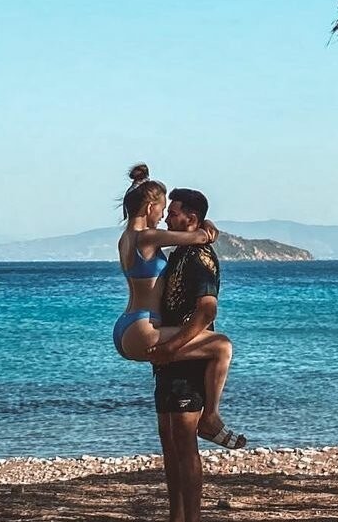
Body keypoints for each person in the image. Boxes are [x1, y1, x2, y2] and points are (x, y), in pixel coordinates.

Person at [114, 165, 245, 449]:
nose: (162, 217)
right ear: (150, 207)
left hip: (127, 325)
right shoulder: (147, 237)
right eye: (162, 210)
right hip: (143, 327)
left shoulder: (125, 239)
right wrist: (208, 227)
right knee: (222, 347)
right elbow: (198, 237)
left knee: (172, 437)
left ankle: (205, 416)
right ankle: (211, 417)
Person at [150, 187, 241, 522]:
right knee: (169, 442)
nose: (166, 218)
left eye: (173, 214)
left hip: (188, 360)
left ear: (190, 218)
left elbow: (206, 310)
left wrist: (173, 346)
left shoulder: (200, 258)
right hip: (169, 360)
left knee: (185, 444)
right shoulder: (181, 251)